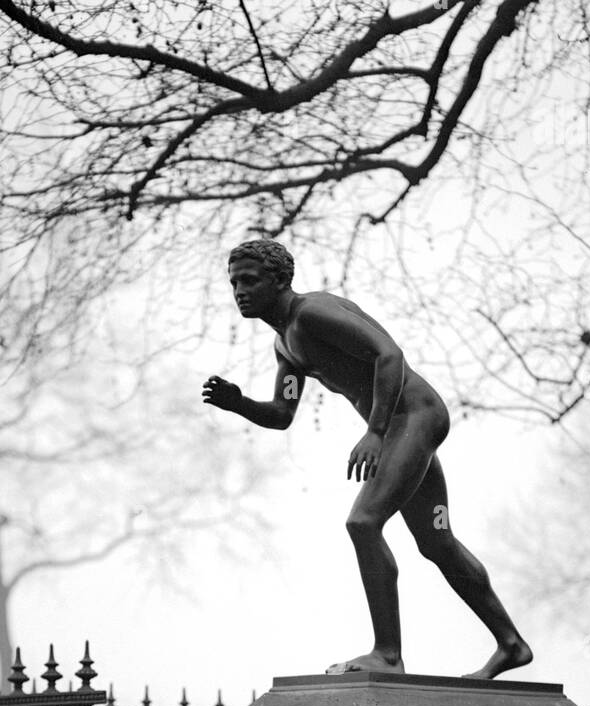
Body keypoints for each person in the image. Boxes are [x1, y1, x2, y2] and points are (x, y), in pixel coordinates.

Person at [202, 238, 532, 679]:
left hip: (412, 418)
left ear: (279, 279)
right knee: (437, 541)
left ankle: (388, 655)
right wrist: (239, 403)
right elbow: (282, 414)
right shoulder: (286, 346)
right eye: (234, 283)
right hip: (404, 429)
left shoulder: (313, 313)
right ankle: (511, 644)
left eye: (249, 280)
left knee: (363, 522)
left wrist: (375, 432)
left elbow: (389, 354)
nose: (239, 290)